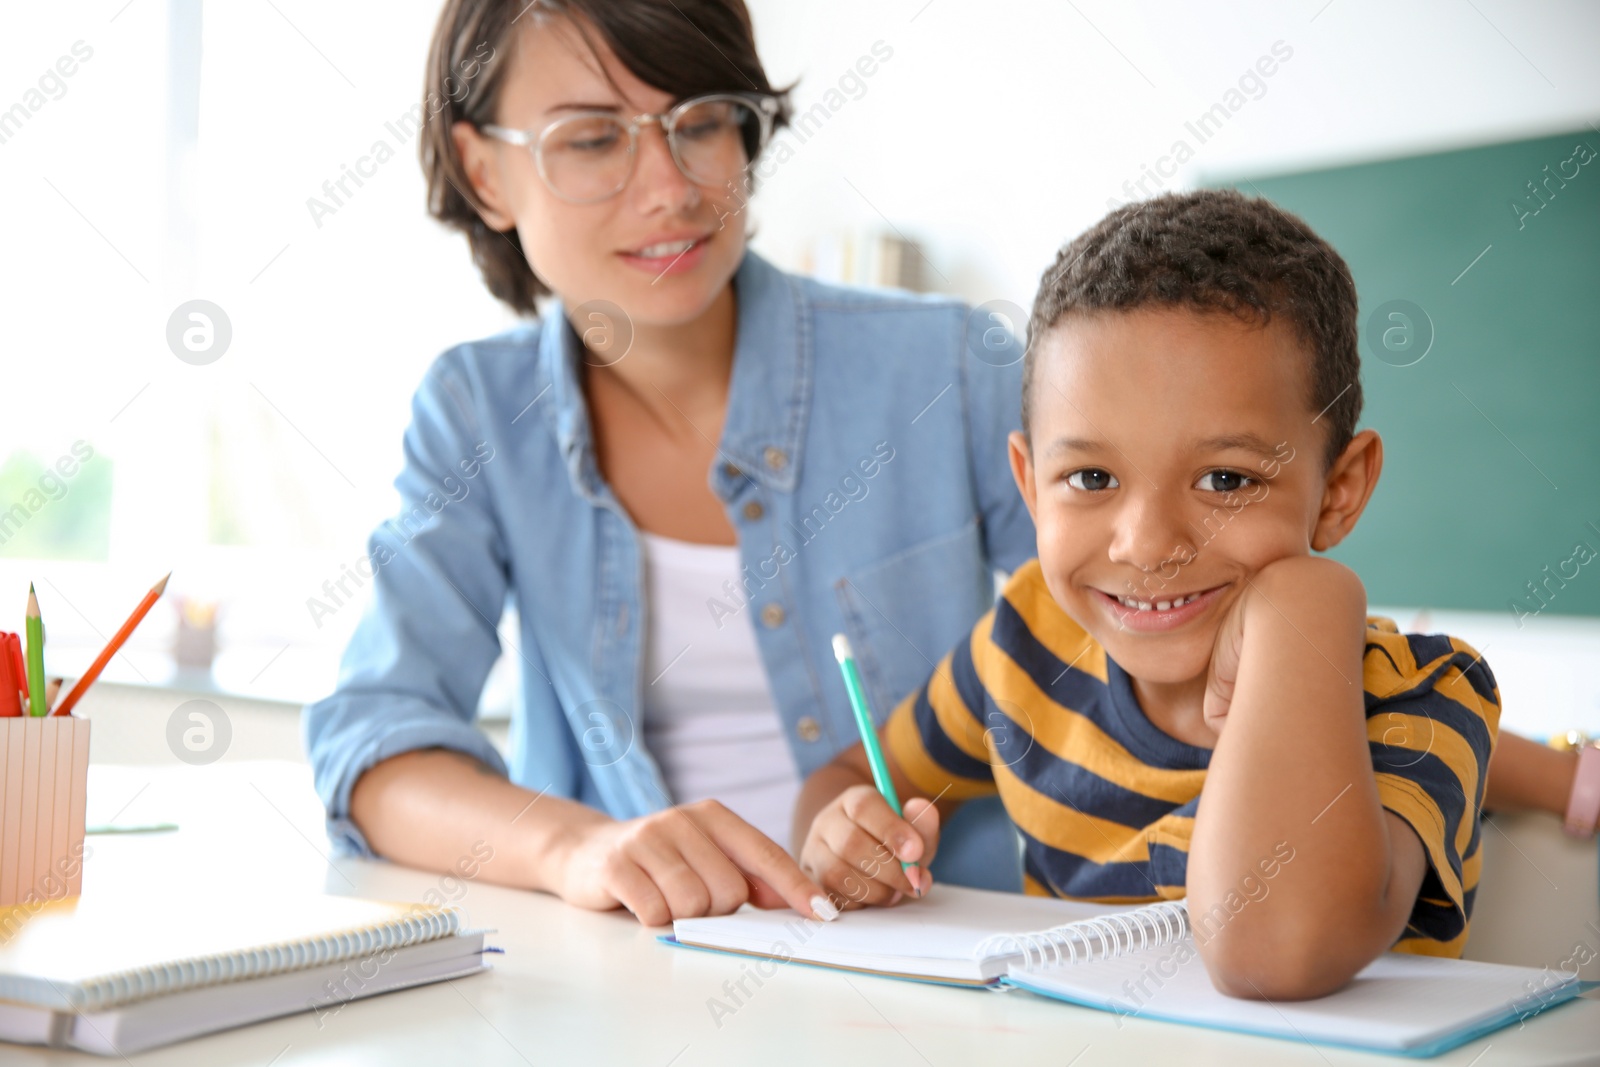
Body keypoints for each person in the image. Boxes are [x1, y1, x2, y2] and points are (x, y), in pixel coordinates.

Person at [302, 0, 1033, 929]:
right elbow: (376, 746)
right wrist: (582, 846)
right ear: (486, 172)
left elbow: (1136, 641)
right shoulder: (479, 413)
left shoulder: (950, 371)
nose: (672, 187)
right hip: (635, 977)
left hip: (935, 968)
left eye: (701, 121)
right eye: (594, 139)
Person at [795, 189, 1513, 1000]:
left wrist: (1306, 606)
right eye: (1091, 477)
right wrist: (847, 832)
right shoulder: (1023, 642)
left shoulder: (1424, 697)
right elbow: (851, 772)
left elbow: (1272, 950)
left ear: (1339, 490)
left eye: (1225, 479)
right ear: (1032, 485)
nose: (1144, 542)